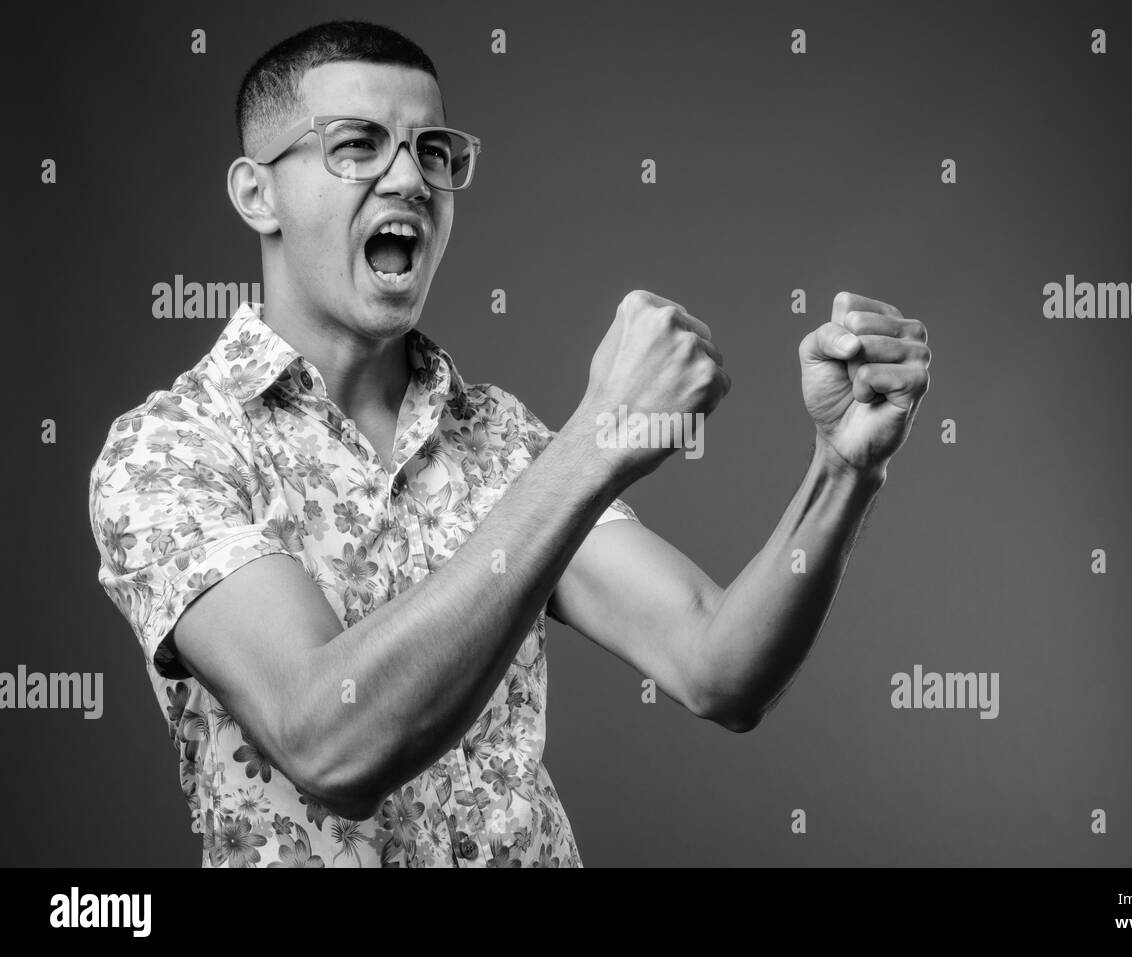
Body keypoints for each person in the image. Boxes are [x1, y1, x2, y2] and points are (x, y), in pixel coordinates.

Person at [87, 19, 931, 868]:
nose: (411, 178)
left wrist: (844, 467)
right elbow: (328, 743)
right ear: (255, 193)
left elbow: (718, 664)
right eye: (357, 144)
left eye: (433, 151)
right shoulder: (172, 451)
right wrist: (593, 444)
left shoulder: (495, 436)